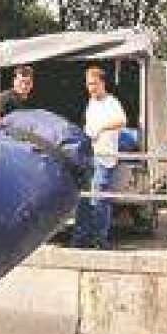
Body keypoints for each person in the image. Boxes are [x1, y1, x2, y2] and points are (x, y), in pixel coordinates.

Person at [73, 66, 127, 249]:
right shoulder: (91, 103)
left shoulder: (111, 102)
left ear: (102, 83)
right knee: (84, 198)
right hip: (90, 155)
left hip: (104, 157)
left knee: (99, 198)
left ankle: (100, 239)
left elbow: (121, 121)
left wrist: (101, 128)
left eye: (94, 84)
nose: (91, 88)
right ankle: (81, 238)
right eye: (89, 84)